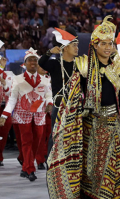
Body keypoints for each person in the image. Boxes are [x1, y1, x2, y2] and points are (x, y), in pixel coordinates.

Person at [47, 16, 120, 199]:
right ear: (94, 44)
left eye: (110, 43)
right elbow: (74, 95)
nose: (108, 47)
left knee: (113, 167)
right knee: (91, 168)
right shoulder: (83, 66)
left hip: (113, 125)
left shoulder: (117, 66)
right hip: (91, 125)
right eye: (103, 44)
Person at [0, 48, 53, 182]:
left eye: (35, 60)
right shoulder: (17, 79)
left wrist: (49, 102)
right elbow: (12, 99)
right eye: (30, 60)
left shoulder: (45, 80)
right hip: (22, 115)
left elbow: (48, 94)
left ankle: (25, 166)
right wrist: (4, 115)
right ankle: (30, 169)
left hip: (40, 115)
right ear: (25, 63)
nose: (33, 62)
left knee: (37, 141)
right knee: (27, 142)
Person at [38, 26, 79, 157]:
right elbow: (42, 62)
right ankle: (51, 162)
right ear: (65, 47)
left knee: (75, 136)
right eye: (74, 45)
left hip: (76, 106)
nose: (77, 48)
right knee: (56, 135)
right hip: (59, 105)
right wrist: (50, 52)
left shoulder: (79, 65)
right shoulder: (55, 64)